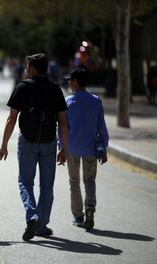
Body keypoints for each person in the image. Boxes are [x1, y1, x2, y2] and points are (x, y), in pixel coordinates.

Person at [0, 53, 68, 241]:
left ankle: (32, 215)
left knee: (25, 182)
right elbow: (63, 122)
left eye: (28, 67)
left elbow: (11, 119)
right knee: (47, 186)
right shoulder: (55, 89)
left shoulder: (22, 87)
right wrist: (65, 148)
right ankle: (41, 226)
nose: (26, 70)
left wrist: (4, 145)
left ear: (34, 69)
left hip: (27, 141)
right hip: (49, 142)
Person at [63, 68, 109, 231]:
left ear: (76, 82)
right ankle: (89, 207)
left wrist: (61, 147)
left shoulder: (68, 102)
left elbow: (63, 127)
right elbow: (101, 127)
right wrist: (103, 147)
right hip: (90, 147)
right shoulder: (96, 100)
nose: (68, 82)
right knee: (89, 181)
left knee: (73, 181)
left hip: (72, 148)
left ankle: (78, 216)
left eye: (70, 80)